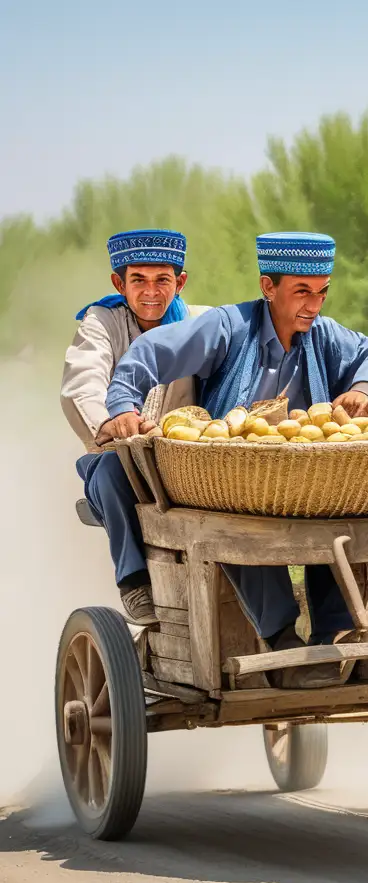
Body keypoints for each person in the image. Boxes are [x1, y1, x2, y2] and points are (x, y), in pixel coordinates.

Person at [105, 232, 368, 687]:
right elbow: (150, 352)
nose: (314, 305)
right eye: (302, 292)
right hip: (231, 475)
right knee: (238, 518)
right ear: (268, 287)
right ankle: (280, 638)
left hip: (302, 476)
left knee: (346, 512)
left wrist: (363, 389)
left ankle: (335, 635)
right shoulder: (227, 326)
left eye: (322, 292)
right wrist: (123, 404)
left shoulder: (322, 335)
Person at [61, 229, 211, 624]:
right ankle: (133, 582)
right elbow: (82, 381)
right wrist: (112, 420)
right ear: (119, 283)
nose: (151, 292)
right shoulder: (101, 322)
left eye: (162, 280)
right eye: (138, 280)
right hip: (117, 459)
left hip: (185, 465)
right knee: (112, 470)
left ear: (180, 282)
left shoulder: (201, 322)